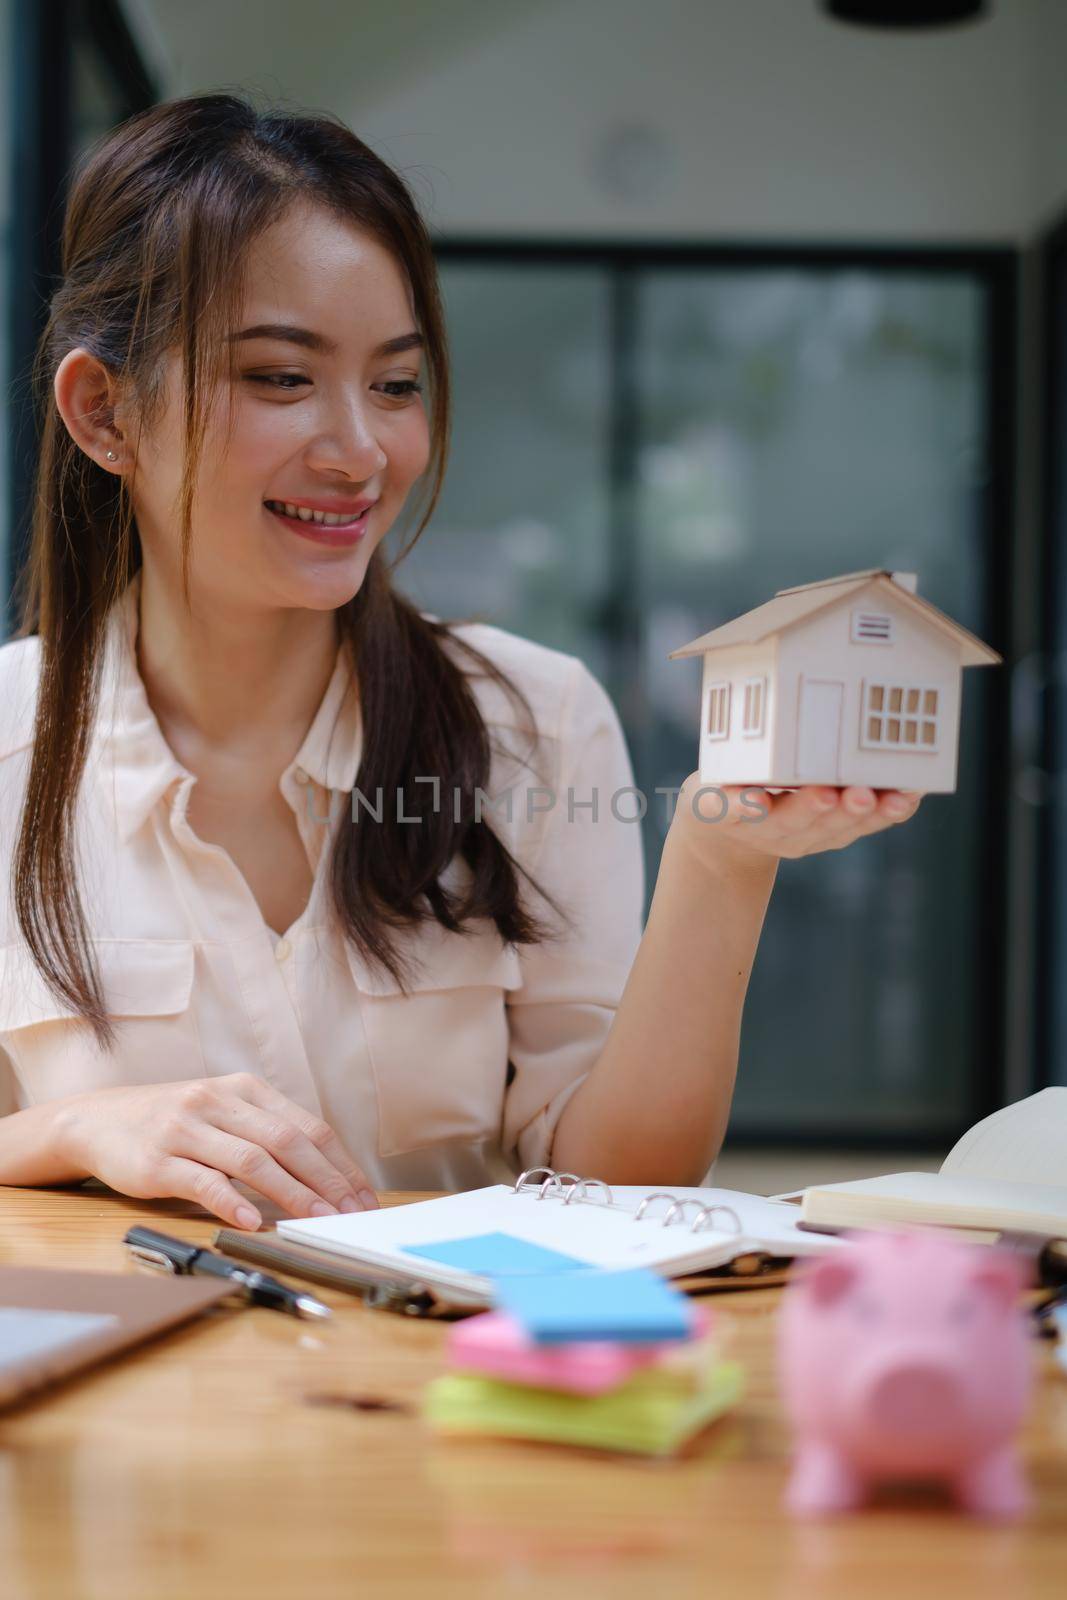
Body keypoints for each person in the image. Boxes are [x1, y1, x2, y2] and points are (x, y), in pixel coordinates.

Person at [0, 94, 920, 1231]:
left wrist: (722, 860)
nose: (359, 450)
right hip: (127, 1404)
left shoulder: (530, 720)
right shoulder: (9, 746)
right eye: (281, 378)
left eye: (394, 384)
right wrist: (81, 1125)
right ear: (104, 415)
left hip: (449, 1391)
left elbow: (618, 1190)